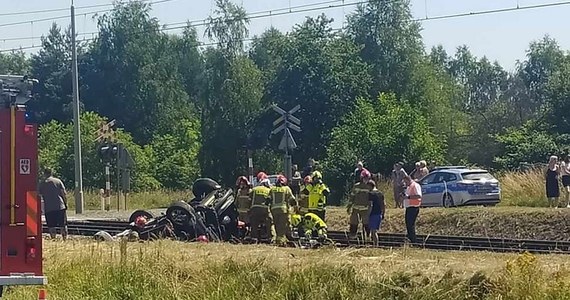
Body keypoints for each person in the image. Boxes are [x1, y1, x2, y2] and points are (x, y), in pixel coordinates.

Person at [38, 168, 68, 240]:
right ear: (51, 173)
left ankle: (53, 239)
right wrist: (65, 203)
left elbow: (38, 195)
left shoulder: (42, 183)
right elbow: (64, 193)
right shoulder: (58, 181)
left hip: (49, 208)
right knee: (63, 224)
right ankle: (64, 239)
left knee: (51, 226)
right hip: (60, 206)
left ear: (44, 173)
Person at [248, 172, 276, 241]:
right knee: (269, 222)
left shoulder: (254, 189)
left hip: (254, 209)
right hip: (264, 209)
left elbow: (249, 198)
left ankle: (254, 237)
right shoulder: (269, 190)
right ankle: (271, 237)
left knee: (254, 224)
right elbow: (271, 201)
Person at [347, 169, 374, 238]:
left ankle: (368, 236)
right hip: (356, 208)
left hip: (365, 209)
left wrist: (371, 208)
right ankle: (352, 236)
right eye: (365, 178)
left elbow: (372, 198)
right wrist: (349, 206)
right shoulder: (356, 186)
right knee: (353, 222)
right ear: (361, 178)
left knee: (366, 223)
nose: (366, 180)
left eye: (367, 178)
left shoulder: (370, 187)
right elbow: (352, 196)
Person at [269, 175, 296, 244]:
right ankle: (280, 241)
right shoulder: (286, 189)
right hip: (283, 210)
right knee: (282, 226)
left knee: (276, 226)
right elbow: (292, 200)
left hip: (274, 211)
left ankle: (279, 239)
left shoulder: (272, 189)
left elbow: (268, 200)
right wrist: (295, 208)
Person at [403, 175, 422, 243]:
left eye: (406, 182)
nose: (405, 183)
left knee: (410, 224)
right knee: (408, 224)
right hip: (409, 207)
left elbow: (418, 195)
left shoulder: (415, 185)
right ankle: (410, 238)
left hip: (414, 207)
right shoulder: (409, 186)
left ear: (408, 180)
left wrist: (408, 197)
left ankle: (413, 240)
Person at [368, 180, 385, 246]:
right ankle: (374, 244)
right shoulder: (380, 193)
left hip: (373, 214)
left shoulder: (370, 194)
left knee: (373, 232)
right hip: (379, 214)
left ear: (370, 186)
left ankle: (376, 245)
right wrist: (383, 213)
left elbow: (370, 205)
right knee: (373, 231)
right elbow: (384, 204)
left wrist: (367, 214)